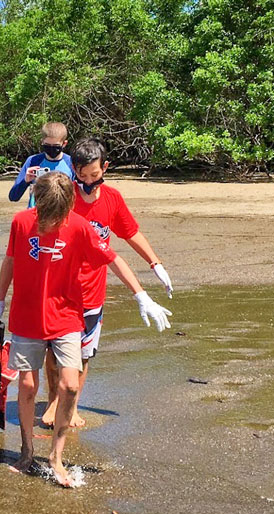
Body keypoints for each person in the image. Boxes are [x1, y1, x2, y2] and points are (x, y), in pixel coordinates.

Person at [0, 171, 170, 487]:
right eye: (49, 214)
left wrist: (141, 295)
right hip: (27, 317)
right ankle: (27, 451)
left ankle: (56, 457)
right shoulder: (21, 222)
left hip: (66, 317)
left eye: (59, 215)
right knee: (28, 386)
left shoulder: (80, 227)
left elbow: (113, 259)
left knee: (70, 386)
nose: (54, 221)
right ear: (39, 203)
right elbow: (10, 261)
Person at [41, 138, 175, 428]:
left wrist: (156, 264)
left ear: (105, 167)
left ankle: (71, 405)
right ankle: (53, 399)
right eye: (82, 175)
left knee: (84, 354)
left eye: (94, 175)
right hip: (59, 288)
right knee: (54, 351)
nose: (88, 181)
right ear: (73, 170)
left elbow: (131, 234)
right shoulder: (66, 195)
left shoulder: (112, 199)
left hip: (92, 291)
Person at [8, 122, 74, 208]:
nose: (51, 149)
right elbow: (13, 197)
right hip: (35, 215)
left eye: (55, 146)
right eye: (47, 145)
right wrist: (25, 181)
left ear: (64, 144)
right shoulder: (33, 161)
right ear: (42, 142)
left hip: (61, 215)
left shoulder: (71, 163)